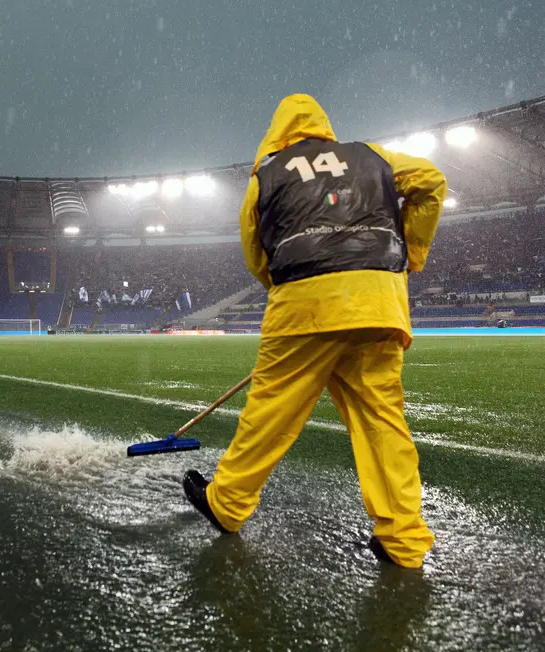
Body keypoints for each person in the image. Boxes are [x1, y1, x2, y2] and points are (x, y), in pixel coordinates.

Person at [182, 94, 446, 569]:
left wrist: (285, 286)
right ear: (324, 126)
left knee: (270, 416)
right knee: (382, 423)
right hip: (376, 302)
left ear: (277, 131)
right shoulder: (372, 155)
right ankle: (403, 539)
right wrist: (411, 253)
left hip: (303, 308)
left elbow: (255, 251)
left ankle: (227, 505)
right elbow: (431, 181)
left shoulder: (267, 176)